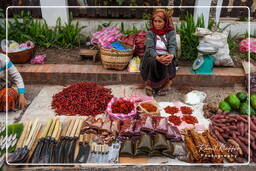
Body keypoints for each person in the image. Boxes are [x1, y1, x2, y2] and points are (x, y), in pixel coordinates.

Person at [140, 9, 177, 96]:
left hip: (166, 55)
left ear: (165, 22)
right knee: (152, 61)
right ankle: (149, 85)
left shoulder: (171, 32)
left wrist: (171, 55)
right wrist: (157, 57)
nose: (157, 24)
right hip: (153, 55)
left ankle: (166, 84)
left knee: (168, 61)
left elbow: (172, 45)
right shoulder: (151, 33)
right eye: (155, 21)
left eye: (160, 21)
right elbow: (150, 48)